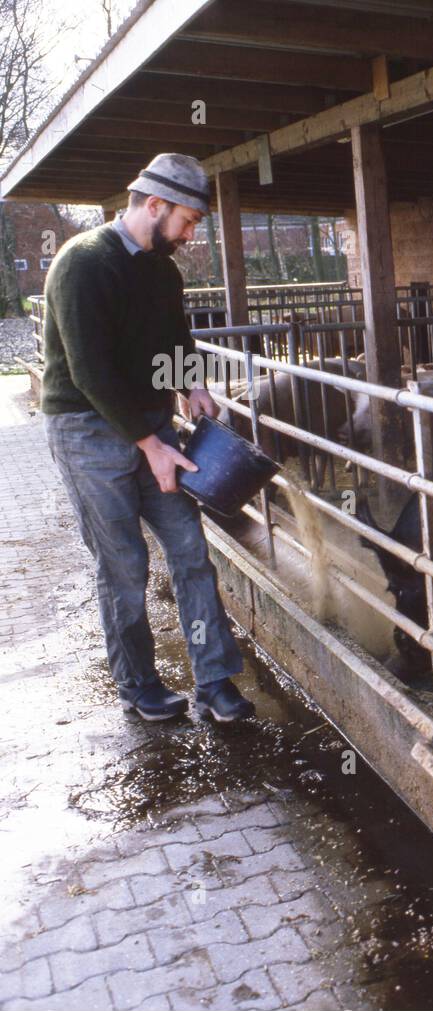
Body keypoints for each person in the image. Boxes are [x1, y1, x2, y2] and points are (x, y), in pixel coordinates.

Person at [40, 153, 255, 724]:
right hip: (87, 427)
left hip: (149, 424)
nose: (189, 235)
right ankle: (137, 683)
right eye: (186, 221)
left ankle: (214, 681)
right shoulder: (83, 263)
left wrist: (192, 386)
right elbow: (90, 369)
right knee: (124, 564)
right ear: (154, 205)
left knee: (190, 551)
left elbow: (172, 340)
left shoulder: (163, 271)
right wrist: (150, 445)